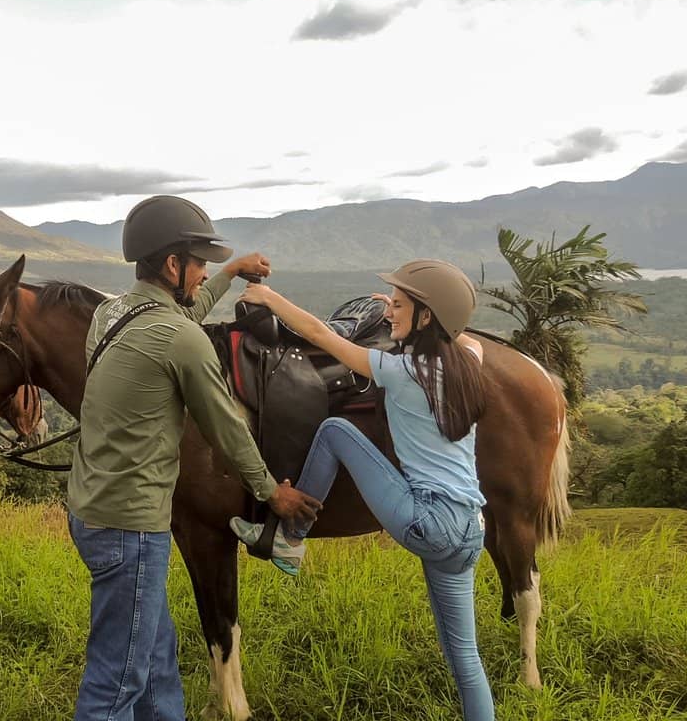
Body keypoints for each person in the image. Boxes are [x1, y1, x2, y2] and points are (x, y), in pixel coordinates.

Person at [66, 195, 322, 721]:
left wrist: (229, 272)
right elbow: (226, 427)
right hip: (131, 526)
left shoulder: (110, 314)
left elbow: (183, 314)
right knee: (117, 683)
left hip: (90, 510)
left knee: (157, 663)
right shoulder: (181, 339)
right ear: (172, 265)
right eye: (200, 263)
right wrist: (272, 492)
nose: (204, 273)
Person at [229, 259, 494, 721]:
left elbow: (320, 334)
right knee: (465, 661)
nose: (390, 312)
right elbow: (466, 337)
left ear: (428, 317)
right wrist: (396, 310)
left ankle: (290, 538)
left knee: (334, 430)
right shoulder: (470, 363)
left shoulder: (401, 371)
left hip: (428, 522)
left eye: (399, 305)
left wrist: (269, 298)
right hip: (470, 530)